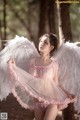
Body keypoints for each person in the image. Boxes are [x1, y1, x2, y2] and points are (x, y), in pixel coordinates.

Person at [8, 33, 76, 120]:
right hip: (37, 102)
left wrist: (68, 94)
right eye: (40, 41)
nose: (41, 43)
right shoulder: (32, 62)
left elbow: (56, 84)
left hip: (51, 101)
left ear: (51, 47)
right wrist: (14, 67)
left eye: (45, 42)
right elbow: (29, 81)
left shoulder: (54, 64)